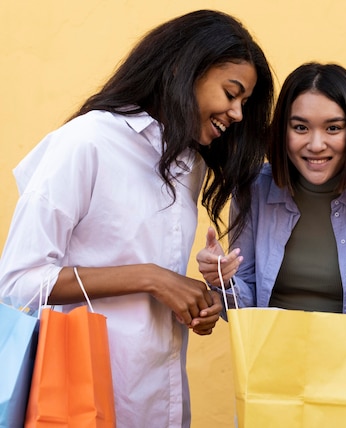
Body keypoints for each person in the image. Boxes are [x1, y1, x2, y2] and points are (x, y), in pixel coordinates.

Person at [0, 9, 274, 427]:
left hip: (160, 402)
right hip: (79, 400)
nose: (237, 114)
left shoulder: (190, 165)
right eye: (231, 93)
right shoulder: (87, 142)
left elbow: (153, 289)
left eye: (244, 103)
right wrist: (153, 277)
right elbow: (17, 283)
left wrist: (194, 304)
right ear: (185, 69)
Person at [196, 62, 346, 339]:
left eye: (333, 128)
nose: (316, 145)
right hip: (270, 369)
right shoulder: (254, 189)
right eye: (301, 127)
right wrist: (223, 279)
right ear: (282, 131)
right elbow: (243, 312)